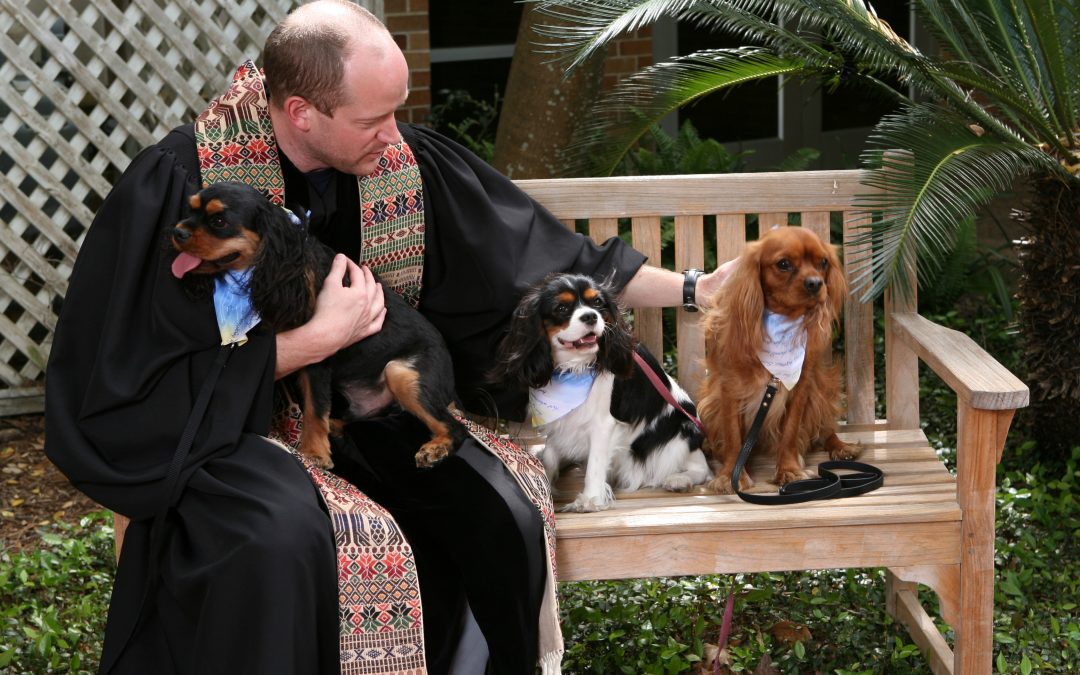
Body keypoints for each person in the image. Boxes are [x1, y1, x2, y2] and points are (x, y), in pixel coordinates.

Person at [44, 1, 730, 673]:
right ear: (302, 113)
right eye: (373, 118)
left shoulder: (399, 162)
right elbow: (133, 366)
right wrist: (313, 340)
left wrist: (696, 290)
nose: (392, 133)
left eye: (396, 110)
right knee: (278, 543)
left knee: (497, 514)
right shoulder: (186, 187)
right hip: (228, 427)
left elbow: (539, 256)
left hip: (375, 405)